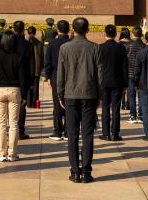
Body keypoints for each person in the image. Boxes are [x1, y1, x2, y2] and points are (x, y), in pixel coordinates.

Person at [57, 17, 102, 184]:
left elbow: (61, 74)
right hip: (89, 94)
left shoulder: (64, 48)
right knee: (87, 135)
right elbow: (100, 76)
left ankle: (75, 172)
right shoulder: (95, 48)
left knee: (72, 135)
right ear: (88, 30)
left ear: (73, 30)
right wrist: (99, 96)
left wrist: (60, 94)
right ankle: (86, 172)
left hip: (70, 95)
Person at [0, 30, 30, 162]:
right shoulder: (19, 56)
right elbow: (23, 78)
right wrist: (24, 95)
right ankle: (12, 153)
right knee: (13, 123)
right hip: (14, 90)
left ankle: (2, 153)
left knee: (1, 123)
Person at [99, 25, 127, 141]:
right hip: (117, 82)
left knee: (105, 108)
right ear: (115, 34)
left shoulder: (100, 48)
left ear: (104, 34)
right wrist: (125, 84)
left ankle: (106, 133)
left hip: (104, 82)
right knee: (116, 109)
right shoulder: (121, 48)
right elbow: (124, 67)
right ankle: (115, 133)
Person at [43, 19, 70, 140]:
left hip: (55, 75)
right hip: (70, 76)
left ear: (57, 29)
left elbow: (47, 62)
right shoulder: (71, 43)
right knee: (69, 103)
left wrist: (48, 77)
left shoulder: (52, 43)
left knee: (57, 103)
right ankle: (68, 132)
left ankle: (58, 131)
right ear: (68, 29)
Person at [133, 30, 148, 141]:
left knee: (145, 109)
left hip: (143, 84)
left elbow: (137, 70)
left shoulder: (141, 53)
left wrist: (136, 83)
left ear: (146, 40)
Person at [125, 27, 144, 123]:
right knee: (141, 95)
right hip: (141, 74)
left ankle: (133, 115)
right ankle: (141, 115)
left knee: (131, 95)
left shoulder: (126, 45)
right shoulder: (144, 46)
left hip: (130, 73)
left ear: (132, 34)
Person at [26, 26, 43, 108]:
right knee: (36, 87)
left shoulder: (25, 43)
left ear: (28, 32)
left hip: (27, 69)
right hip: (36, 68)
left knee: (28, 86)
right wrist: (41, 67)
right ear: (35, 33)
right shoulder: (39, 43)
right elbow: (42, 58)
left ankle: (28, 103)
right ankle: (35, 103)